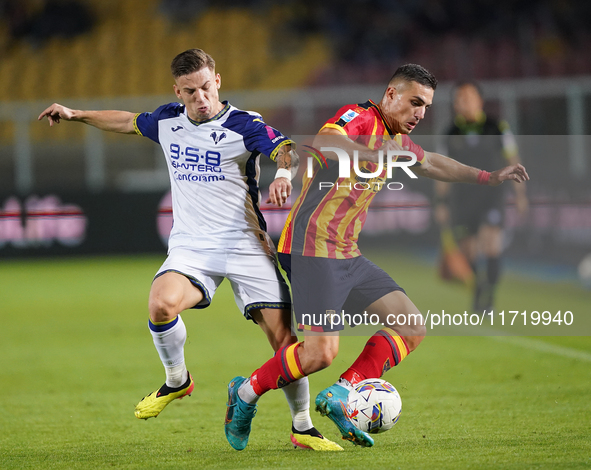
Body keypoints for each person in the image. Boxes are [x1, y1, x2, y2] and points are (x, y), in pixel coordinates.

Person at [38, 48, 342, 452]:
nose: (200, 97)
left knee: (285, 344)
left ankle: (302, 427)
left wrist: (283, 174)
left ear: (217, 80)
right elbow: (127, 122)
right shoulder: (167, 120)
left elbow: (283, 148)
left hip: (246, 245)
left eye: (205, 87)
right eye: (189, 91)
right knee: (160, 304)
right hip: (192, 246)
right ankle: (177, 380)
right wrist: (77, 115)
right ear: (177, 92)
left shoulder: (242, 124)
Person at [224, 64, 529, 448]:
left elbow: (433, 162)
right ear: (390, 95)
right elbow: (325, 142)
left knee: (411, 326)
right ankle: (244, 394)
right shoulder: (359, 117)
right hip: (312, 248)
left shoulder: (397, 141)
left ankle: (342, 393)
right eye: (414, 102)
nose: (420, 113)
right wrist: (372, 150)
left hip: (347, 253)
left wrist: (488, 176)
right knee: (320, 353)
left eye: (427, 106)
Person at [434, 81, 529, 313]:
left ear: (480, 100)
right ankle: (479, 290)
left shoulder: (497, 127)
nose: (463, 102)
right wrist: (441, 203)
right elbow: (439, 169)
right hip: (463, 198)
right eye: (459, 98)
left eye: (468, 97)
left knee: (491, 244)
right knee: (469, 252)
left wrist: (520, 194)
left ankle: (489, 298)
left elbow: (512, 158)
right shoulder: (449, 133)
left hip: (492, 195)